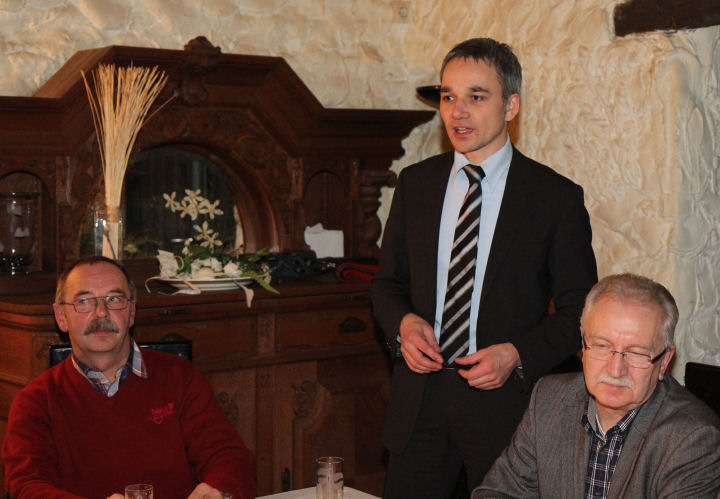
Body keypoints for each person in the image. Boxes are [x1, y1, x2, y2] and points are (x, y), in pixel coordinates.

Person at [371, 37, 598, 498]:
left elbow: (581, 313)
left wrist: (516, 353)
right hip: (418, 402)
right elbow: (386, 284)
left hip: (505, 410)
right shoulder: (416, 185)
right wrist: (405, 323)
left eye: (476, 97)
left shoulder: (555, 198)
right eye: (448, 96)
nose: (457, 112)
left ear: (511, 105)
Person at [2, 256, 256, 499]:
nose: (101, 312)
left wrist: (221, 492)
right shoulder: (36, 401)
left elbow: (227, 456)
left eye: (114, 299)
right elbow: (27, 486)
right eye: (84, 301)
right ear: (61, 317)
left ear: (132, 312)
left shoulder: (181, 378)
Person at [473, 273, 720, 498]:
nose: (615, 370)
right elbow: (496, 494)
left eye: (636, 353)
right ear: (583, 342)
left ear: (665, 360)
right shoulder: (549, 399)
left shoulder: (692, 437)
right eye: (602, 346)